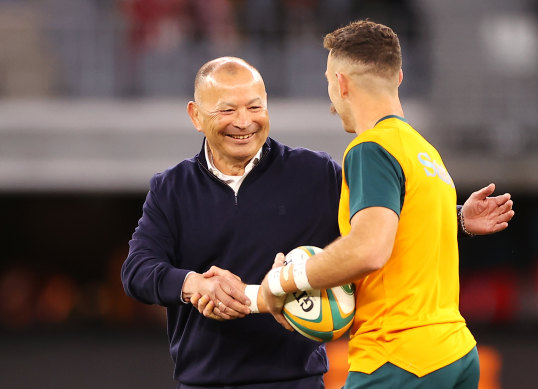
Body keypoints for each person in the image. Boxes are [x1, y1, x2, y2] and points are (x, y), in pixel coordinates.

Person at [122, 56, 513, 388]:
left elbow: (380, 233)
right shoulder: (170, 188)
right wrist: (191, 284)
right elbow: (137, 271)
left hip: (298, 380)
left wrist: (456, 219)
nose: (244, 121)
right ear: (195, 115)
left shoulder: (318, 173)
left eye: (255, 106)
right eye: (227, 109)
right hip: (204, 382)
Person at [259, 21, 515, 389]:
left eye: (329, 80)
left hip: (400, 357)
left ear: (342, 83)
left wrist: (284, 282)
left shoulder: (370, 149)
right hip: (455, 353)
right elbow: (407, 234)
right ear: (398, 76)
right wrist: (455, 218)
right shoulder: (425, 152)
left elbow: (369, 249)